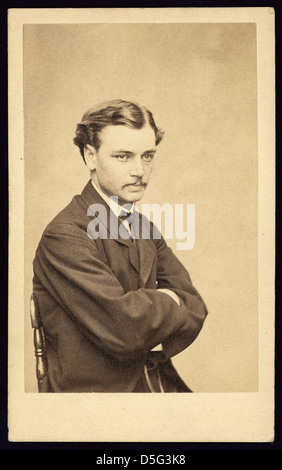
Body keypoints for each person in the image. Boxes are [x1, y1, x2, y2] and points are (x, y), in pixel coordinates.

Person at [32, 99, 208, 393]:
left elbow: (195, 306)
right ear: (90, 156)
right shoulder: (65, 235)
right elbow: (126, 331)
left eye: (148, 156)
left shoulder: (142, 226)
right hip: (94, 405)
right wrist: (169, 300)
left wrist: (148, 309)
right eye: (123, 157)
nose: (139, 170)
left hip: (155, 387)